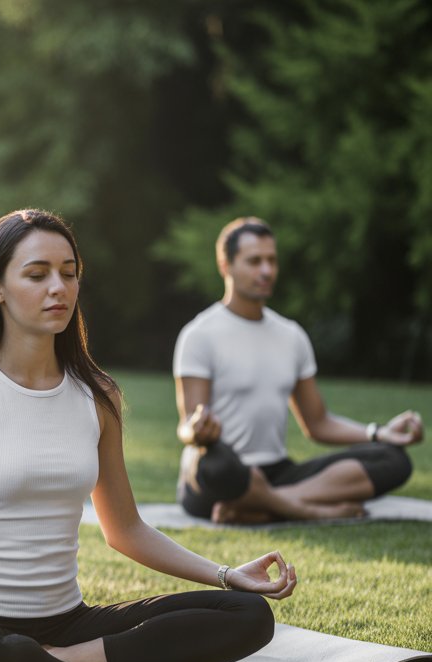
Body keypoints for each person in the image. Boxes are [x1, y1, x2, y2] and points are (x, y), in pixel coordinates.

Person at [0, 208, 296, 662]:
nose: (59, 287)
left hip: (70, 625)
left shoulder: (98, 396)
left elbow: (126, 529)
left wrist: (225, 575)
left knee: (247, 613)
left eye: (69, 274)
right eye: (37, 275)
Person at [173, 216, 422, 524]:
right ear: (226, 266)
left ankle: (262, 507)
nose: (266, 271)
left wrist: (378, 433)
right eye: (254, 261)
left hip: (278, 472)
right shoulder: (199, 334)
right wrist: (196, 429)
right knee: (215, 464)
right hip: (222, 473)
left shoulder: (291, 336)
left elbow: (317, 424)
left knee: (393, 459)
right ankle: (307, 509)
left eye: (271, 261)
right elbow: (187, 425)